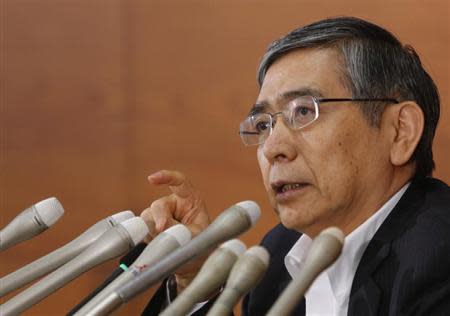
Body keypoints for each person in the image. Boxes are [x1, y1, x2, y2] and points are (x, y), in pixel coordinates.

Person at [139, 16, 450, 315]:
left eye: (303, 111)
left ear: (400, 131)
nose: (273, 148)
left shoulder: (438, 259)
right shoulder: (277, 259)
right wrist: (196, 281)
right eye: (263, 125)